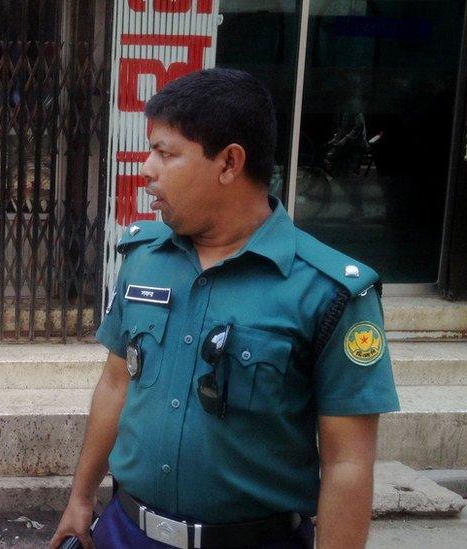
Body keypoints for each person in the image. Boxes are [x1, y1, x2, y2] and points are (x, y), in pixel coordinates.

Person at [49, 69, 399, 549]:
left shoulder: (329, 292)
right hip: (126, 534)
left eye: (165, 153)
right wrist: (81, 499)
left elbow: (348, 464)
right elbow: (116, 384)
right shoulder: (144, 261)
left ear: (230, 163)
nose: (146, 169)